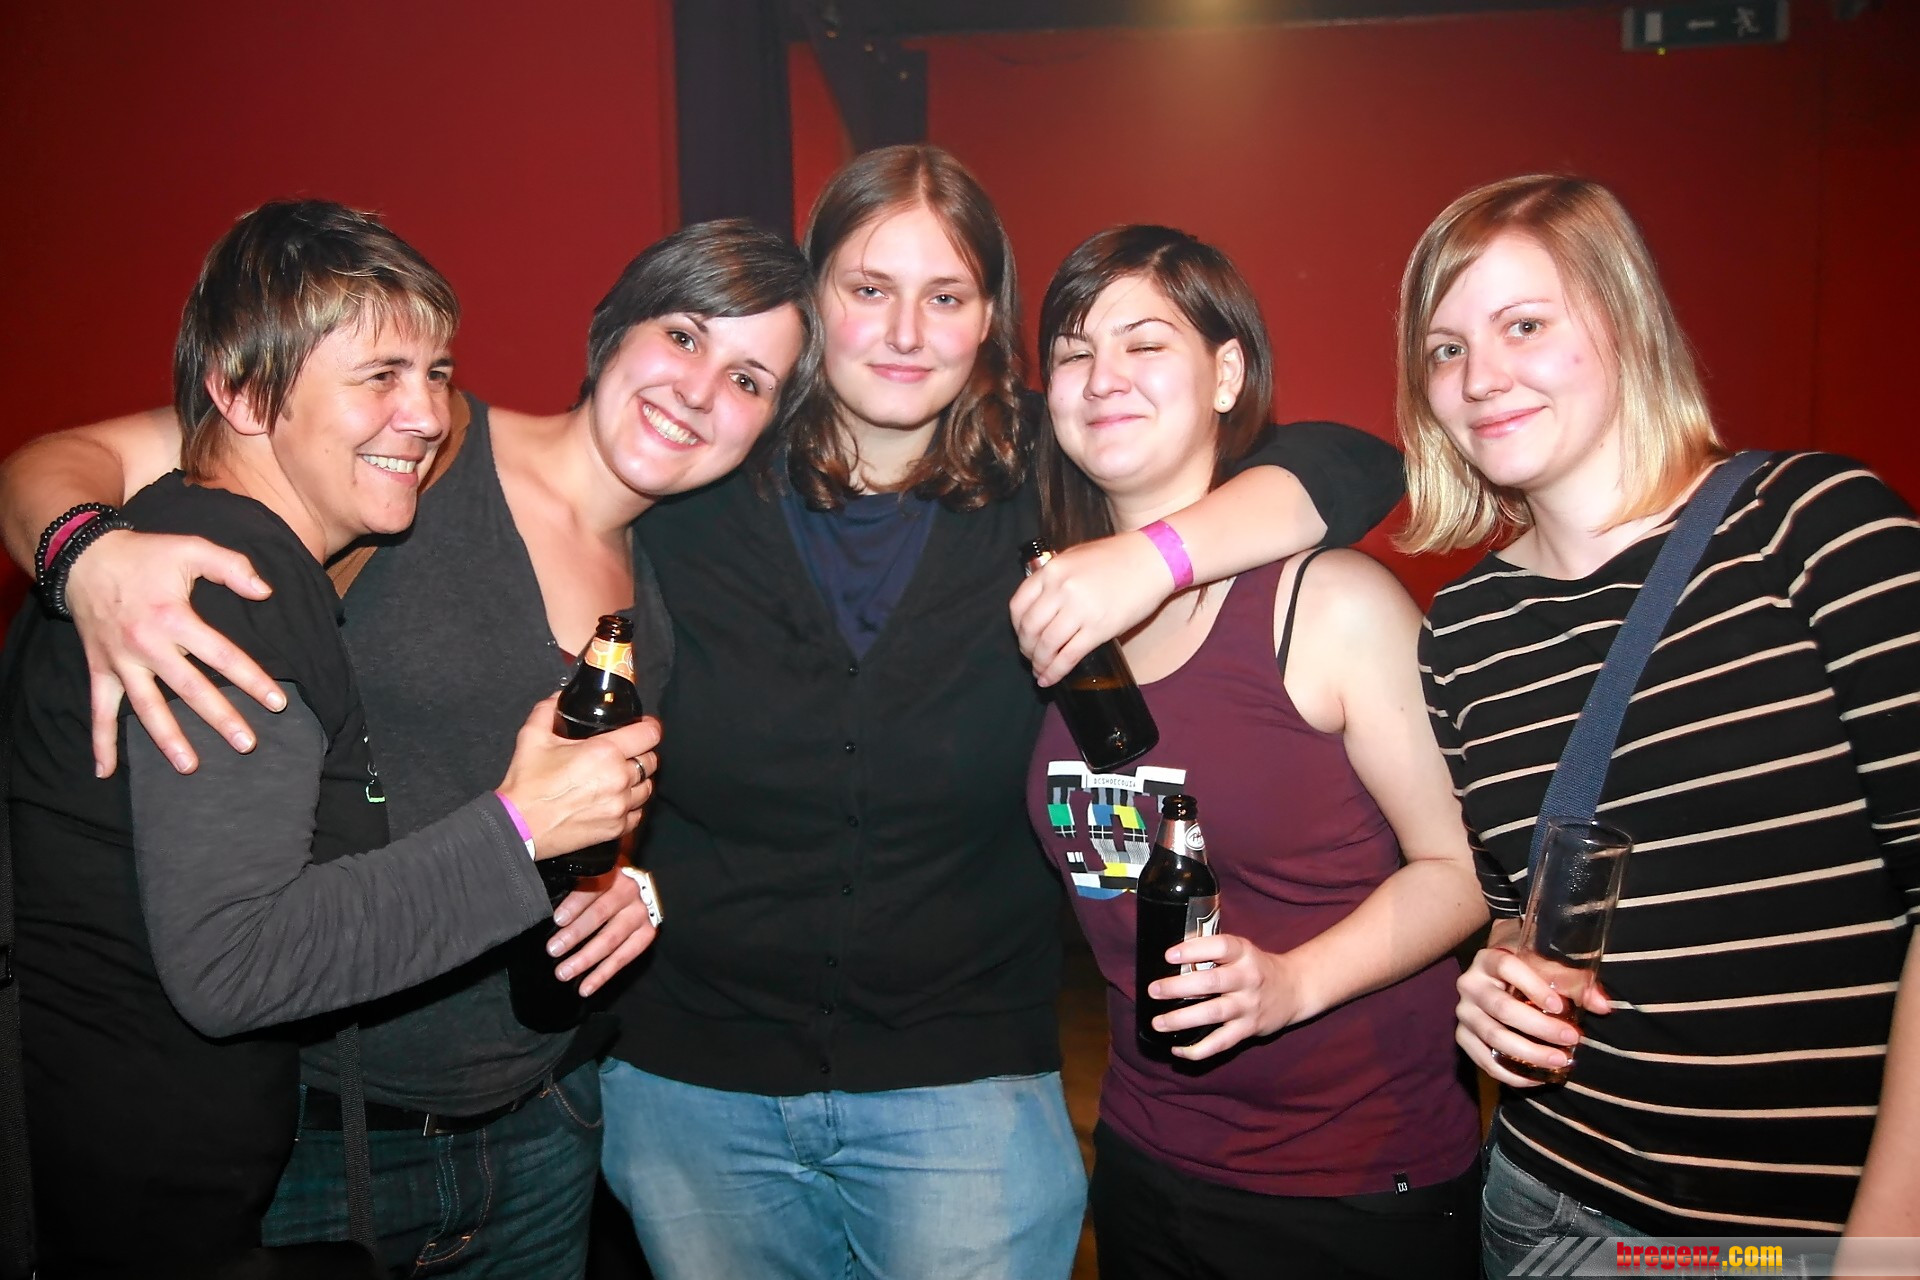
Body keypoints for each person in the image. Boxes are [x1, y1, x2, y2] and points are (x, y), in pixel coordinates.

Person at [594, 146, 1408, 1280]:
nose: (905, 331)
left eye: (947, 296)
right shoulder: (708, 475)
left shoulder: (1052, 469)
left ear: (990, 319)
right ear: (813, 301)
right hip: (696, 1085)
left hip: (962, 1090)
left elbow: (1356, 465)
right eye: (868, 289)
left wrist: (1153, 557)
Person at [0, 217, 816, 1276]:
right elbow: (72, 460)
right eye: (684, 335)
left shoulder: (653, 598)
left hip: (541, 1125)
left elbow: (547, 815)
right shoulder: (421, 443)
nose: (701, 391)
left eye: (750, 380)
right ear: (612, 330)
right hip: (321, 1133)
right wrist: (87, 555)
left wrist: (625, 886)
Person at [1403, 175, 1920, 1269]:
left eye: (1524, 325)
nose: (1480, 377)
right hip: (1547, 1210)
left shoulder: (1814, 530)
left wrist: (1889, 1240)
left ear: (1627, 320)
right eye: (1446, 349)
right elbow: (1520, 911)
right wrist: (1493, 978)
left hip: (1807, 1233)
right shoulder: (1462, 629)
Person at [1024, 224, 1485, 1280]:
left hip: (1352, 1181)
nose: (1103, 376)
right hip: (1143, 1156)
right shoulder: (1050, 612)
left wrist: (1291, 984)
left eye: (1146, 343)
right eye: (1074, 352)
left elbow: (1464, 871)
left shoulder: (1330, 605)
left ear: (1226, 375)